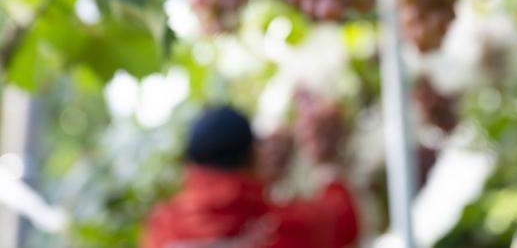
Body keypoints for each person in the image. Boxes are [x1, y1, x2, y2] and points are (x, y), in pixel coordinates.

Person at [141, 105, 360, 248]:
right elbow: (343, 220)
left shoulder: (162, 227)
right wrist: (325, 162)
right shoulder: (273, 224)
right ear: (252, 154)